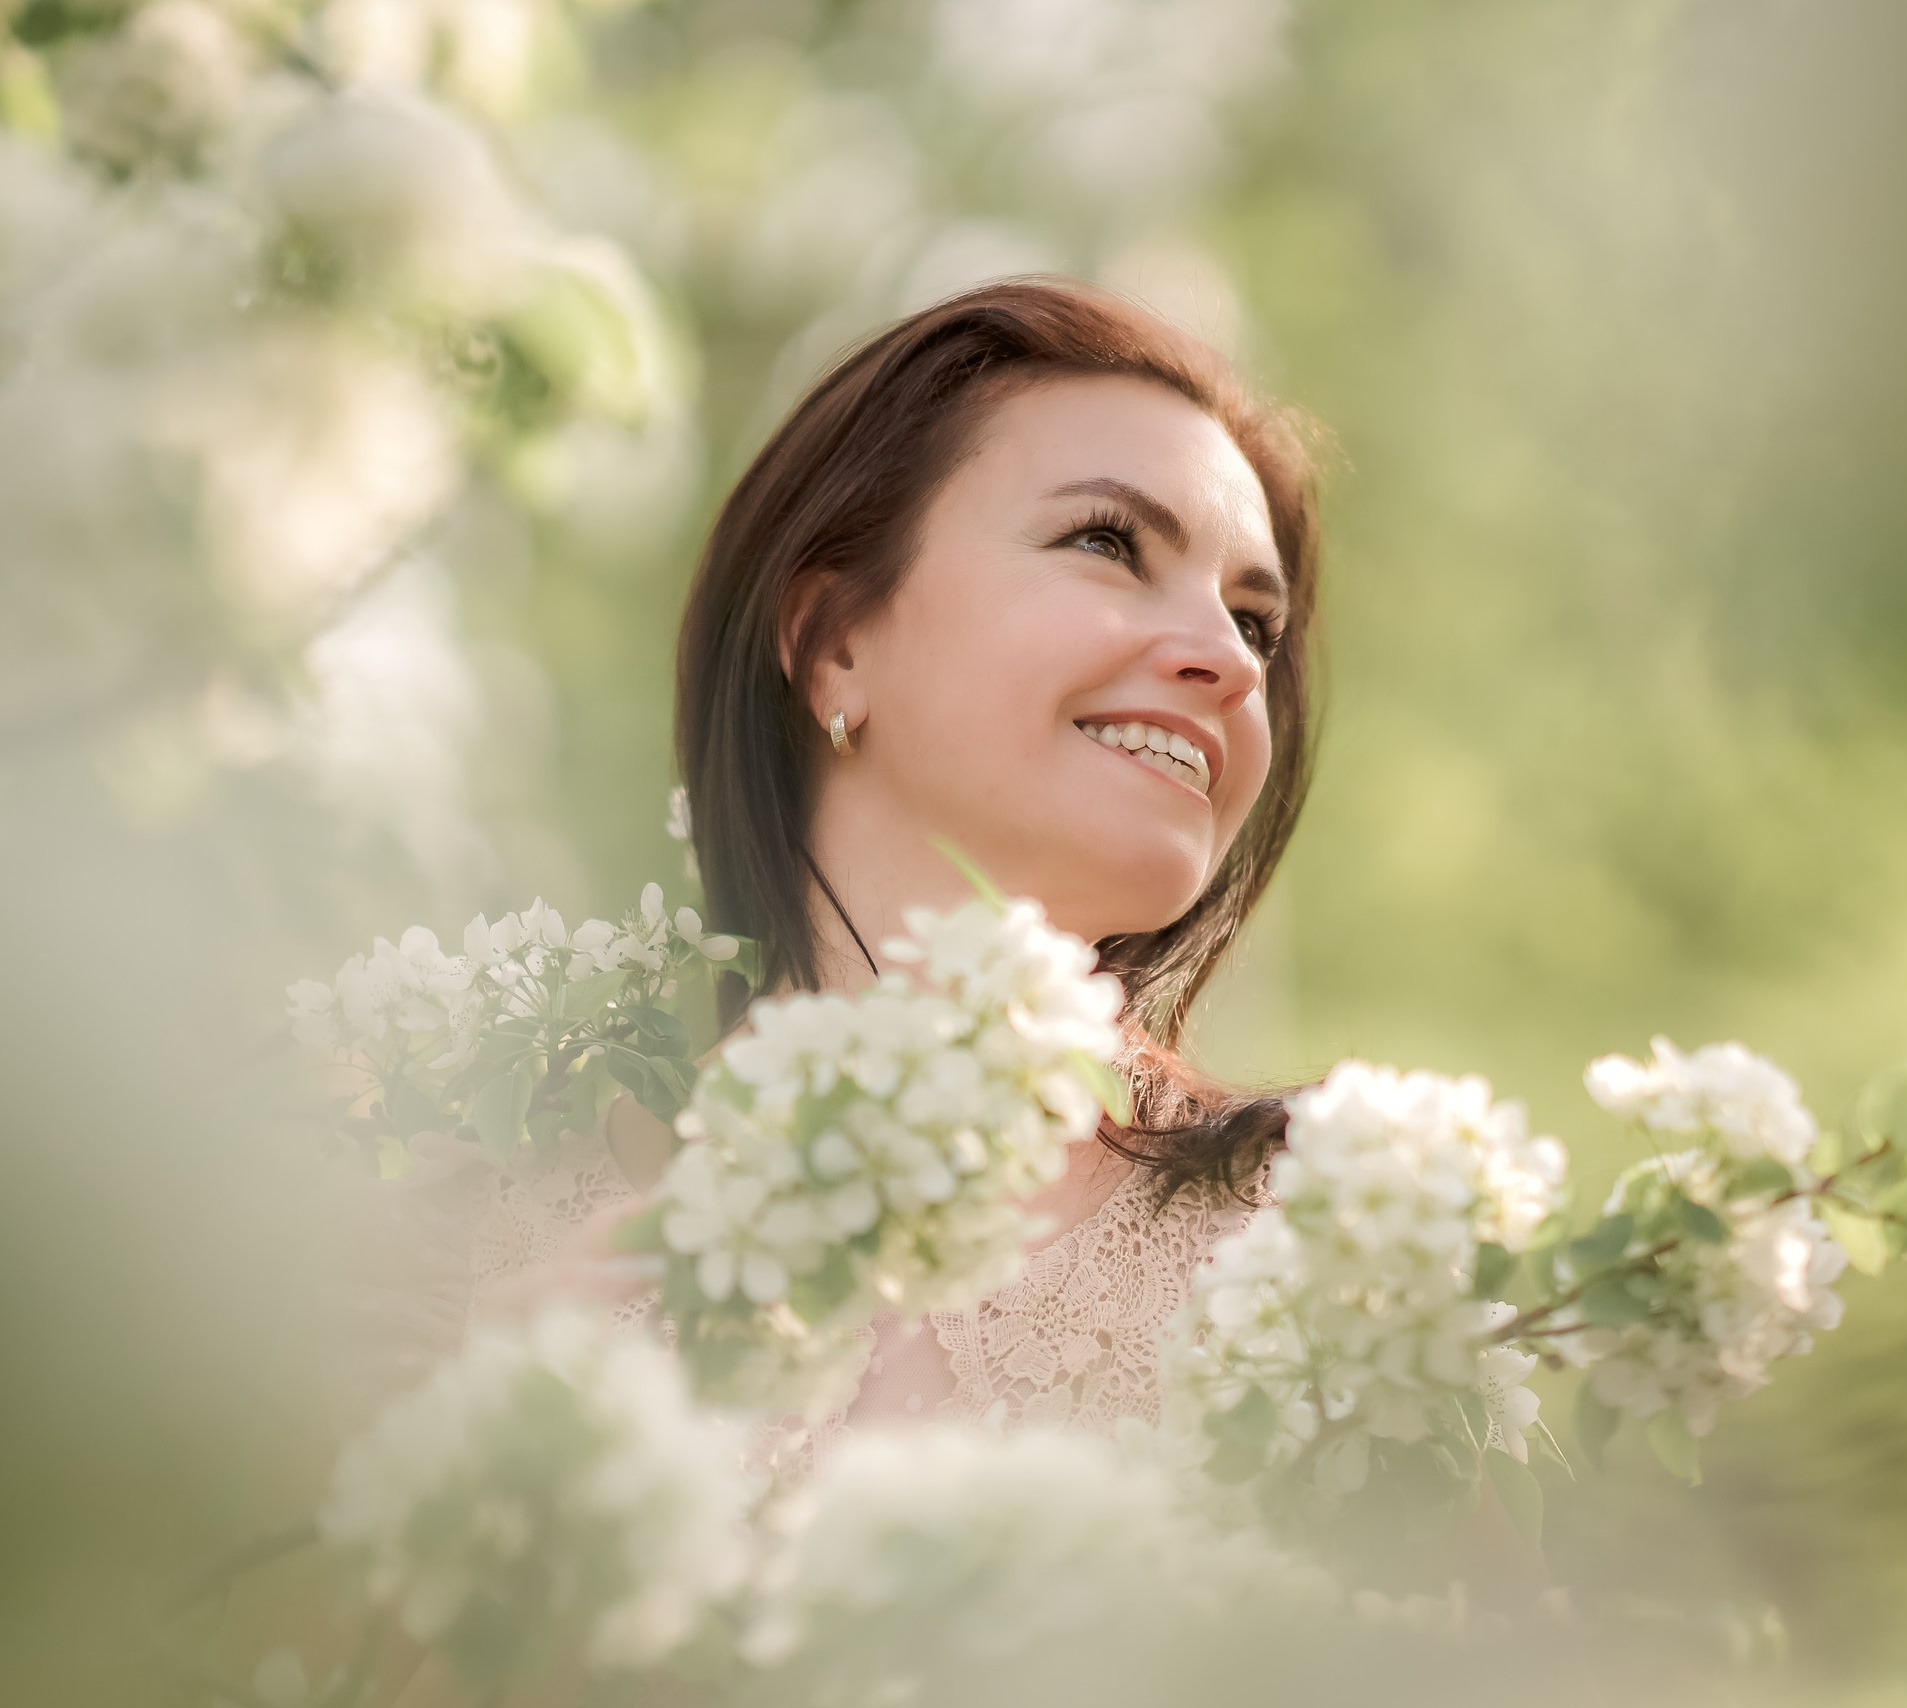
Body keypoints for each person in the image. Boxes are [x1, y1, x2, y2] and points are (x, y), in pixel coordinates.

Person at [381, 277, 1323, 1436]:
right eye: (1106, 541)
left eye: (1256, 623)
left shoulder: (1316, 1247)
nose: (1229, 662)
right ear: (833, 644)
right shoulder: (445, 1247)